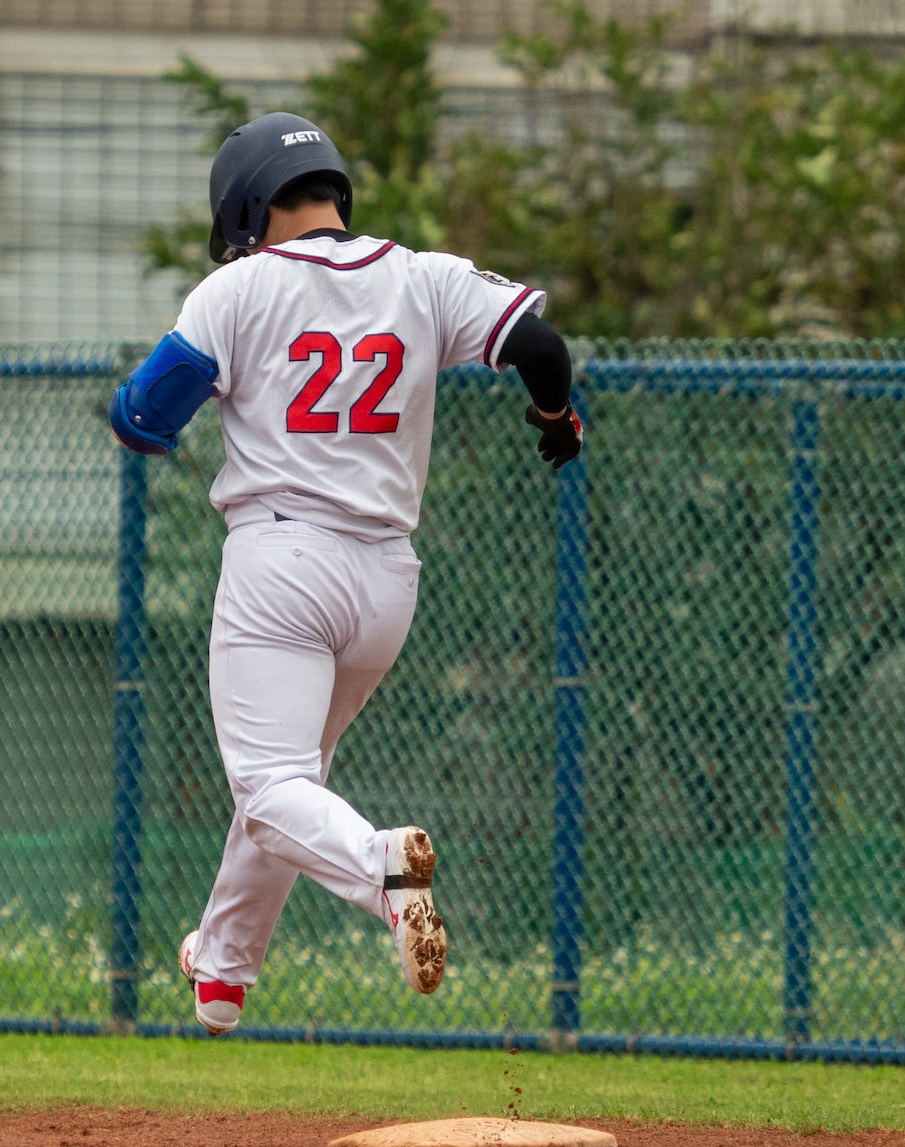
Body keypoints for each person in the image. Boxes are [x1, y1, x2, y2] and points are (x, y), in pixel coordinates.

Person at [108, 114, 580, 1035]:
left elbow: (143, 418)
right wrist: (555, 416)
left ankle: (381, 870)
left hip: (284, 561)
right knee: (295, 782)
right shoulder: (426, 276)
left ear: (246, 206)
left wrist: (148, 407)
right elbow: (542, 348)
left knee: (270, 790)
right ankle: (223, 968)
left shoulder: (239, 286)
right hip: (386, 581)